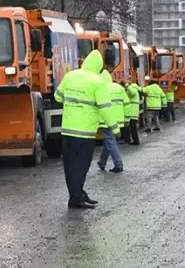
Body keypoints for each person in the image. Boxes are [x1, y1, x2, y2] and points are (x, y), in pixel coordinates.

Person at [54, 50, 119, 209]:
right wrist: (115, 128)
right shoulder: (97, 82)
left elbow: (57, 96)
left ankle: (77, 195)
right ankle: (76, 199)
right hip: (84, 132)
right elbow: (105, 108)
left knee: (69, 166)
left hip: (67, 130)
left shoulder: (70, 76)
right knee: (81, 165)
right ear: (98, 66)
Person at [96, 70, 125, 173]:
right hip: (118, 120)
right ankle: (102, 162)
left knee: (110, 141)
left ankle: (118, 164)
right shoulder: (119, 88)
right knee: (109, 141)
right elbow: (126, 102)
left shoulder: (100, 89)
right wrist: (127, 118)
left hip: (106, 120)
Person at [124, 81, 141, 145]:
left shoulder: (132, 88)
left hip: (132, 112)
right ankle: (133, 140)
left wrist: (127, 86)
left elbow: (132, 93)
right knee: (131, 127)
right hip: (132, 111)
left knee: (132, 127)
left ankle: (135, 141)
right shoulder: (132, 88)